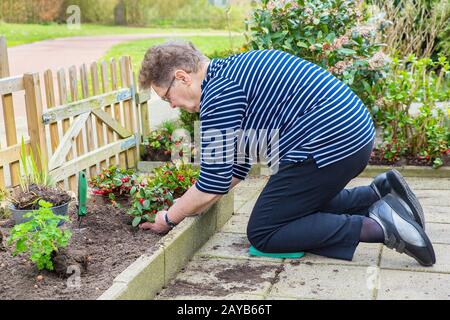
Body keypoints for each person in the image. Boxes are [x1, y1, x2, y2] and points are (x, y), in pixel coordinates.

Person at [137, 40, 435, 266]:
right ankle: (379, 193)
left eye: (166, 97)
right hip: (352, 136)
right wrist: (190, 203)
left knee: (265, 231)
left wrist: (169, 217)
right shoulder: (232, 73)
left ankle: (380, 227)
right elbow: (234, 171)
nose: (172, 106)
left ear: (182, 77)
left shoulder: (217, 96)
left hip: (328, 144)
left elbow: (212, 184)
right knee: (294, 206)